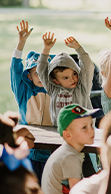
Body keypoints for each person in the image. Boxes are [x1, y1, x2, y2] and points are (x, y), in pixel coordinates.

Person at [10, 20, 55, 184]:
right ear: (28, 75)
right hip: (28, 152)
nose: (42, 77)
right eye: (37, 73)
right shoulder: (24, 92)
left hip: (51, 154)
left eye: (45, 72)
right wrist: (21, 43)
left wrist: (47, 50)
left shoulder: (56, 92)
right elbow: (15, 71)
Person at [41, 104, 103, 194]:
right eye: (84, 127)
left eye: (91, 125)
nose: (91, 130)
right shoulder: (70, 157)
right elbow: (77, 192)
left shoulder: (68, 151)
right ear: (67, 135)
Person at [37, 32, 95, 126]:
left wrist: (78, 48)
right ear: (56, 81)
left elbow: (88, 66)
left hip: (82, 130)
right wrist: (46, 49)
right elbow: (41, 69)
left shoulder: (82, 88)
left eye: (74, 74)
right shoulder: (53, 89)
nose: (73, 79)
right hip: (60, 131)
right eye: (66, 78)